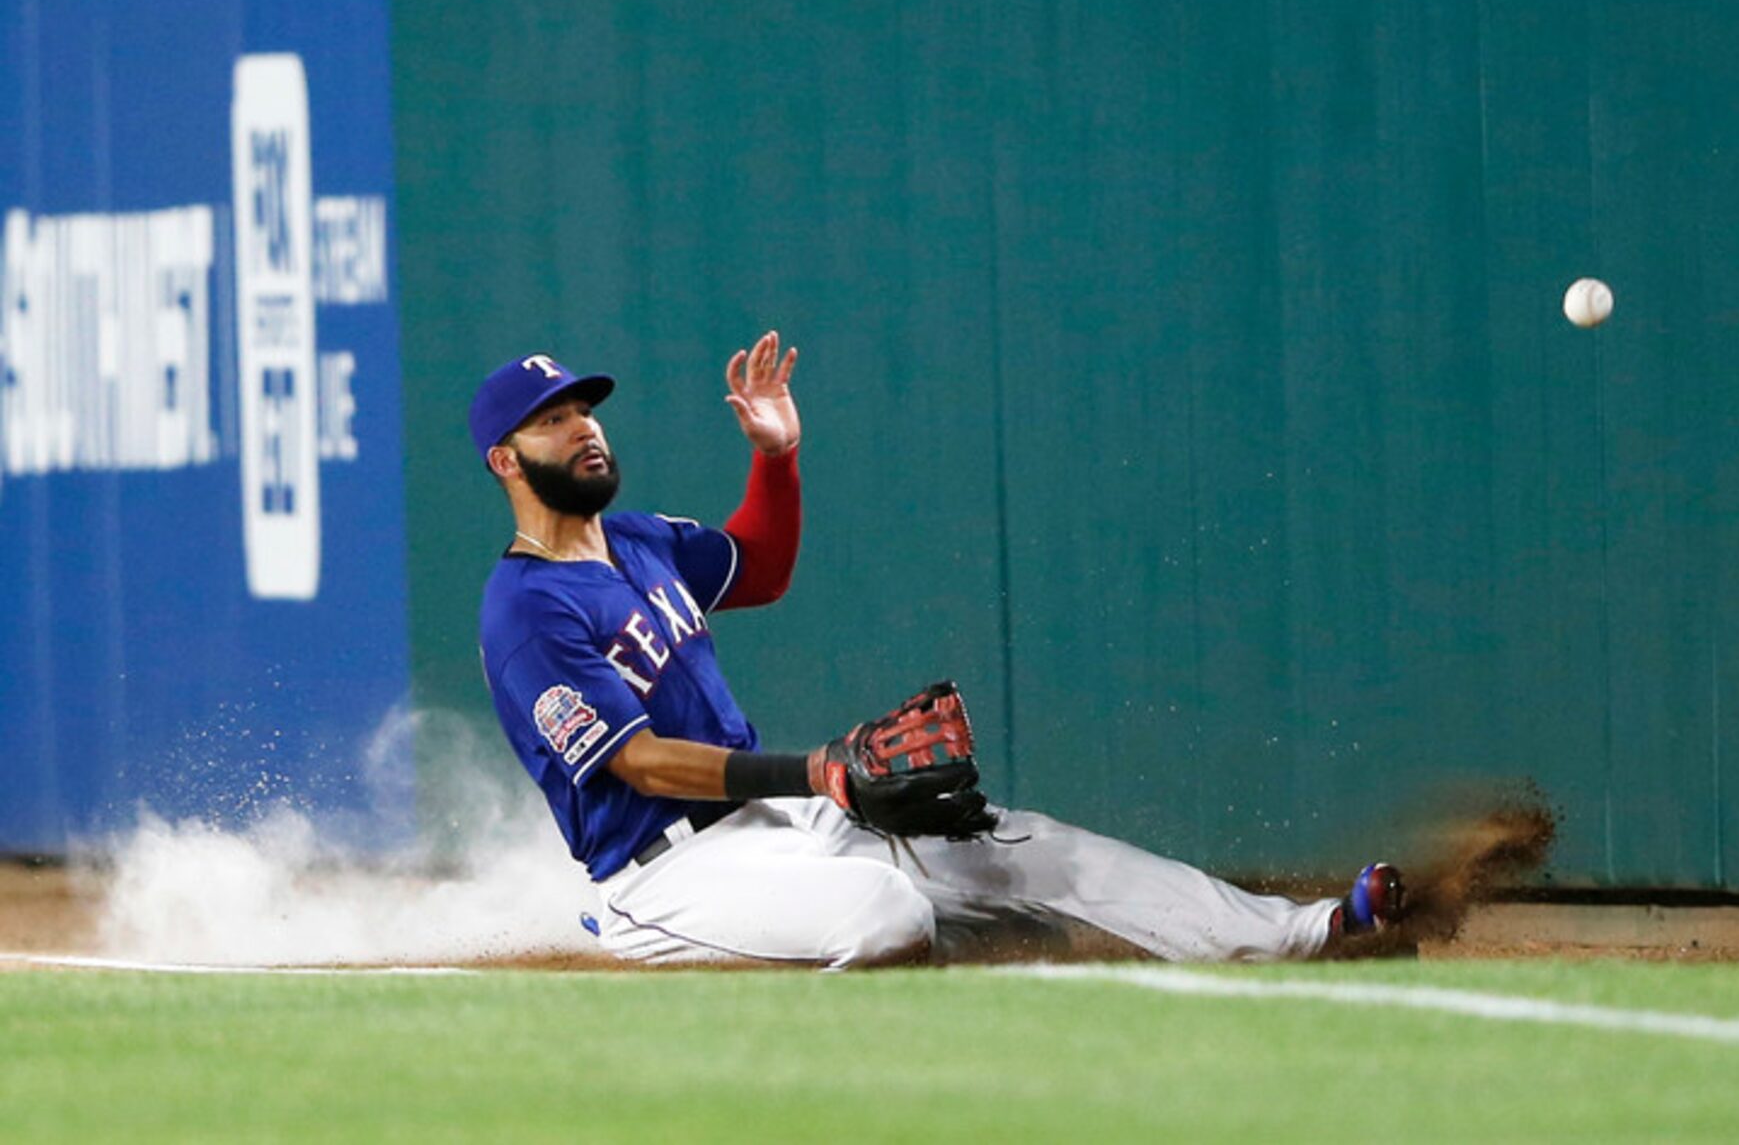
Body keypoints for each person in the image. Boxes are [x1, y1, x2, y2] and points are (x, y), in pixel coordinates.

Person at [472, 337, 1405, 968]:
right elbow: (638, 762)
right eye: (551, 419)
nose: (583, 425)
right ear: (505, 461)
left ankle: (1314, 933)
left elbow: (758, 569)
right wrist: (816, 770)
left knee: (1026, 853)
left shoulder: (639, 540)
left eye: (584, 408)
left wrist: (777, 457)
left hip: (779, 824)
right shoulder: (524, 611)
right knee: (887, 912)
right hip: (665, 875)